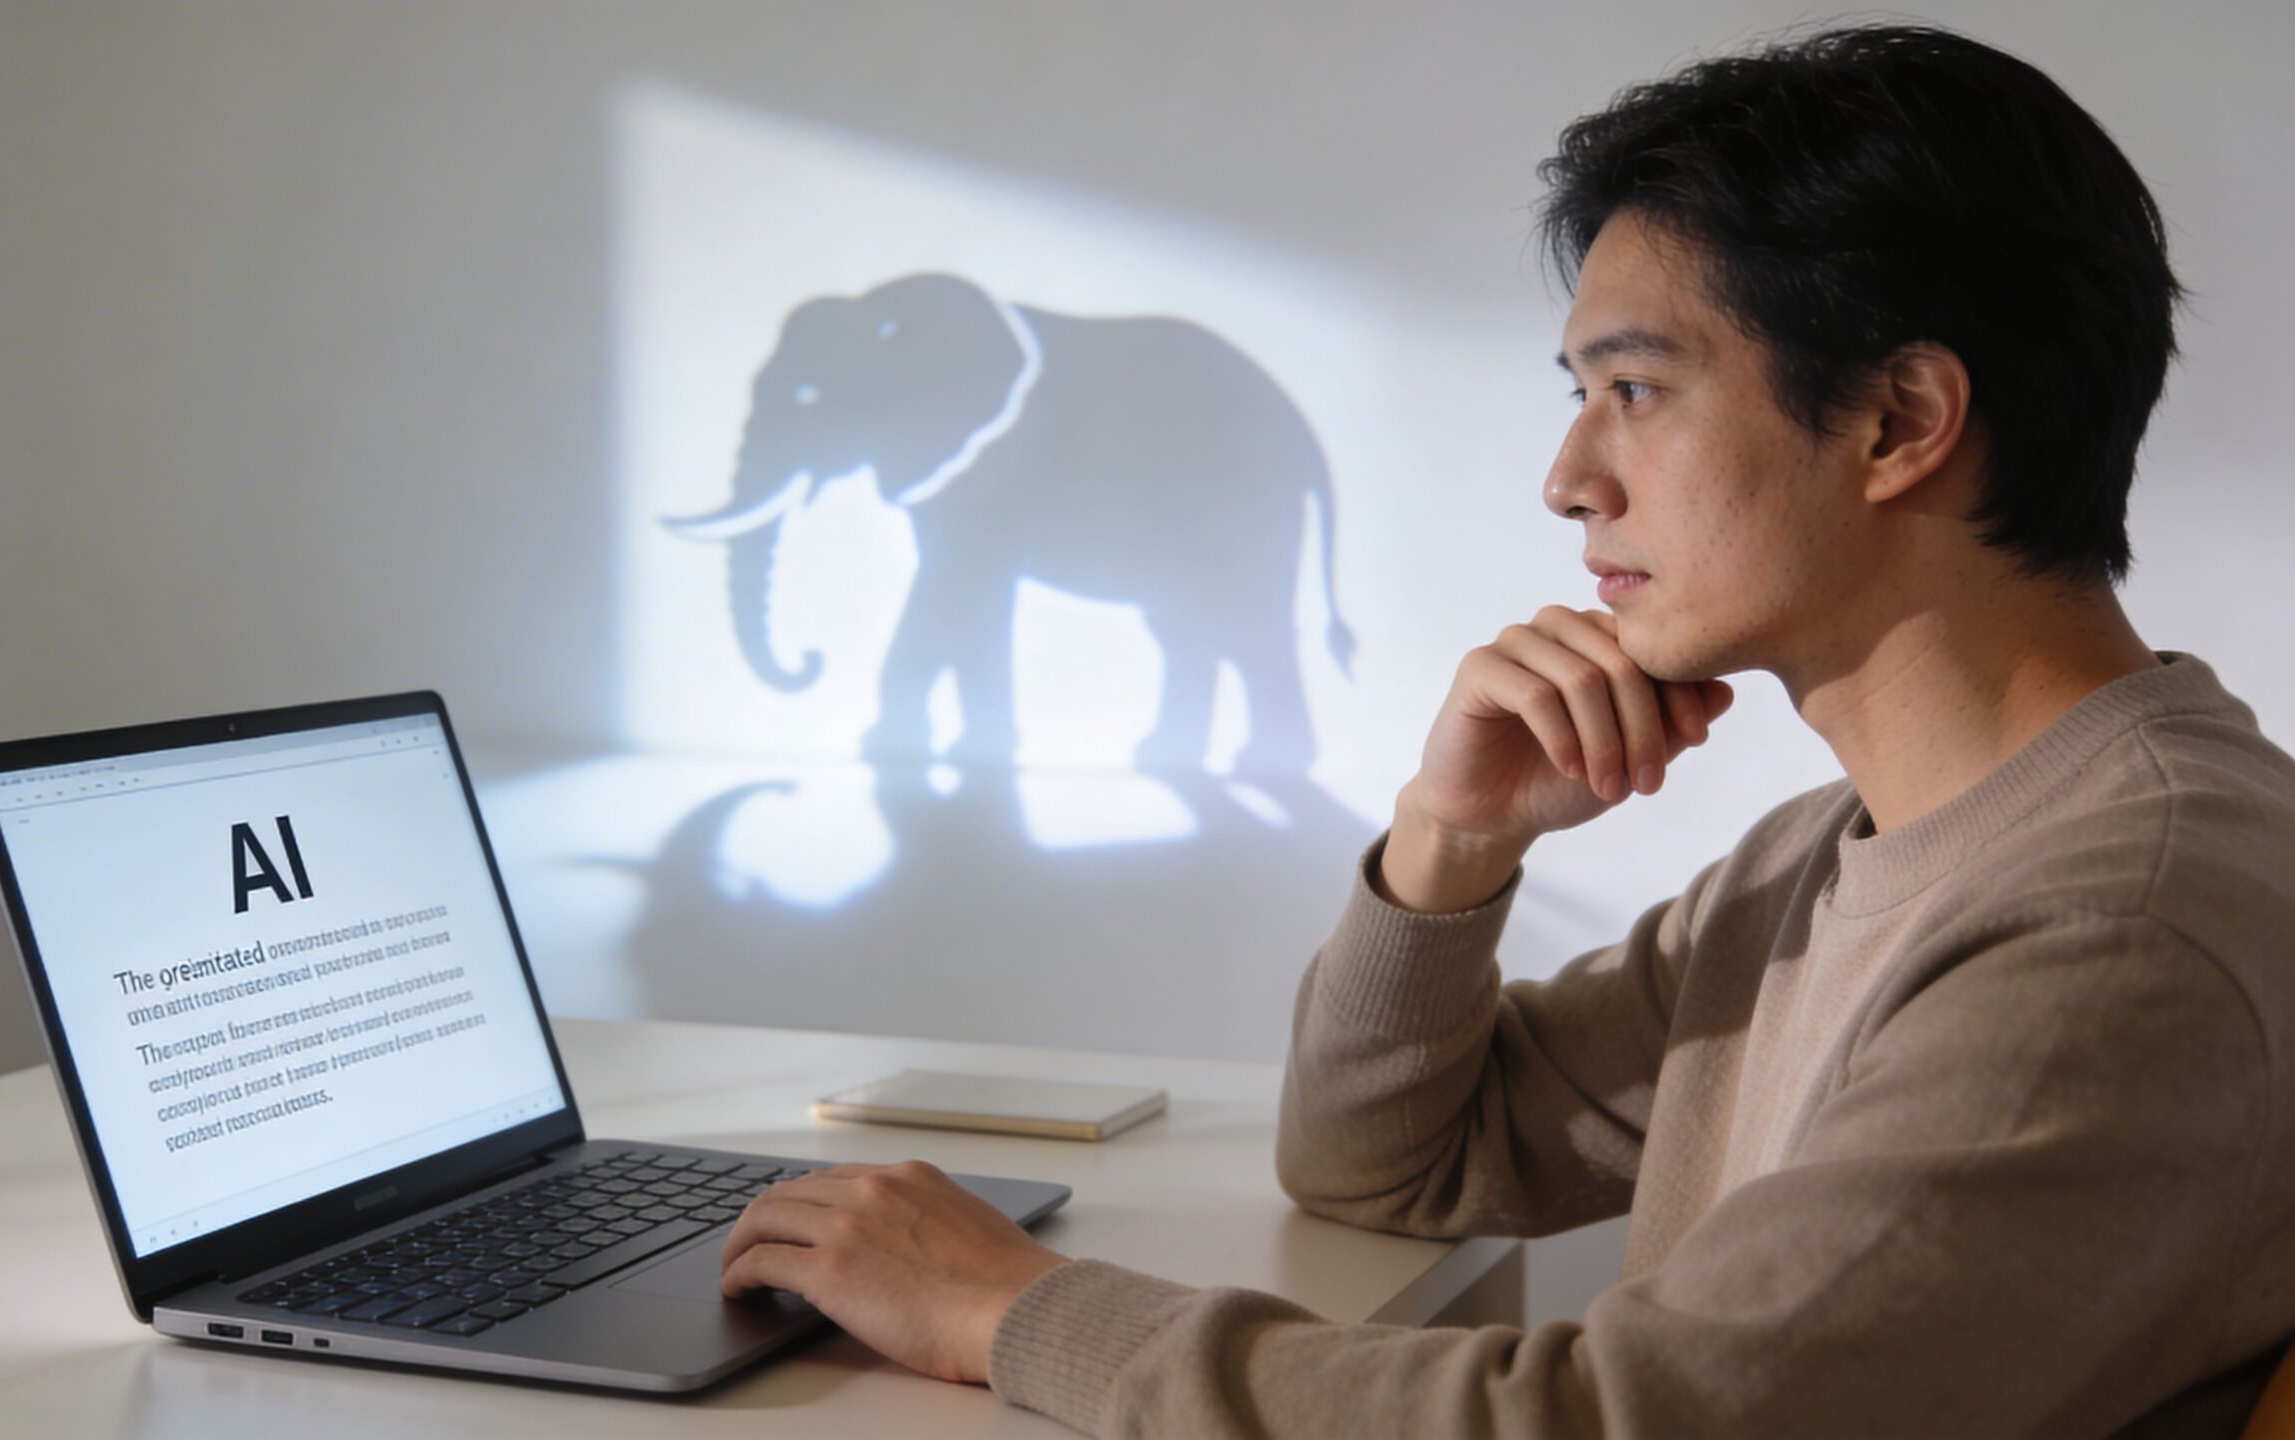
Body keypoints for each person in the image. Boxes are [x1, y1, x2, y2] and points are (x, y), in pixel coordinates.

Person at [715, 23, 2295, 1436]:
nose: (1570, 480)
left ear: (1898, 423)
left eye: (1636, 390)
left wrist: (1012, 1315)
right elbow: (1382, 1167)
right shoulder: (1847, 847)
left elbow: (1620, 1426)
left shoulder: (2119, 929)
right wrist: (1449, 848)